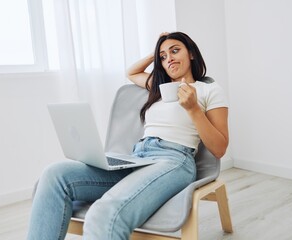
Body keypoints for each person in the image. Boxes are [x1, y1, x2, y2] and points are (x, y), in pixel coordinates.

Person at [26, 31, 229, 240]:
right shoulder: (159, 87)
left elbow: (219, 148)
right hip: (137, 159)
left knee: (104, 213)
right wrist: (155, 53)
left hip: (173, 161)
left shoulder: (208, 90)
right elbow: (131, 72)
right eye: (163, 56)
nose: (169, 58)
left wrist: (194, 109)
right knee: (54, 175)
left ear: (192, 53)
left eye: (175, 51)